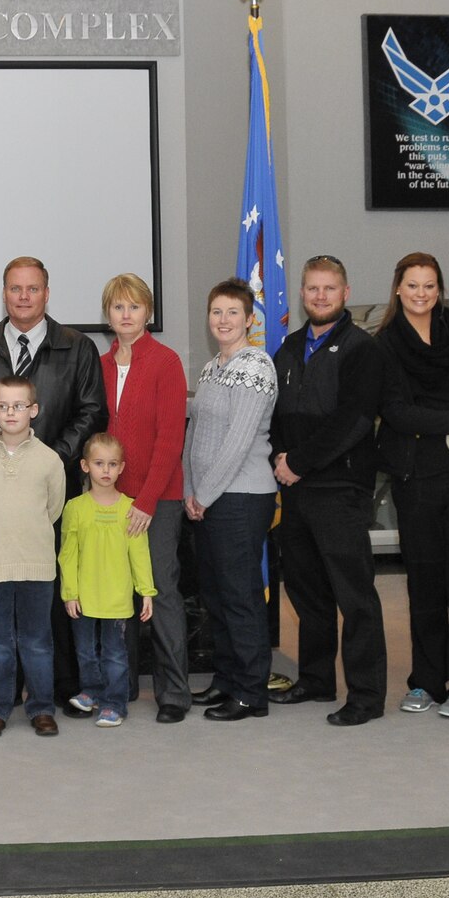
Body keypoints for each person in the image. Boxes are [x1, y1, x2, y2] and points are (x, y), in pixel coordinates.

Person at [0, 256, 105, 707]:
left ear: (47, 293)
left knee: (52, 597)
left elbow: (92, 411)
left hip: (54, 492)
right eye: (15, 289)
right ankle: (1, 694)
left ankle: (55, 690)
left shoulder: (77, 348)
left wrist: (48, 461)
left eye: (32, 289)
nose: (23, 297)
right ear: (4, 293)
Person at [376, 253, 449, 723]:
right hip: (415, 476)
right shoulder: (385, 344)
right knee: (425, 586)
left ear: (439, 288)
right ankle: (426, 680)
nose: (421, 293)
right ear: (398, 289)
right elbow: (397, 411)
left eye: (429, 285)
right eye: (412, 285)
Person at [269, 255, 387, 726]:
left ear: (345, 292)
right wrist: (282, 459)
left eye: (329, 289)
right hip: (294, 491)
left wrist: (298, 461)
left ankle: (366, 695)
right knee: (307, 592)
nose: (320, 296)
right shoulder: (290, 348)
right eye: (312, 289)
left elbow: (355, 421)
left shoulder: (363, 349)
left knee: (353, 596)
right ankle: (316, 680)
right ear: (302, 294)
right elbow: (277, 415)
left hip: (339, 488)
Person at [182, 279, 279, 724]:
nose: (223, 320)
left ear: (249, 319)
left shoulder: (256, 366)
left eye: (232, 313)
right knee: (217, 596)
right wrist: (189, 490)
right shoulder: (210, 368)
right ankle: (225, 679)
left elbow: (239, 441)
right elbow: (196, 437)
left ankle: (250, 693)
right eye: (216, 312)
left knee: (240, 597)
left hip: (241, 497)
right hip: (207, 500)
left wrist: (203, 493)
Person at [96, 273, 190, 722]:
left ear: (147, 312)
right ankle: (124, 685)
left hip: (158, 500)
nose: (126, 315)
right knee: (118, 594)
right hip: (110, 499)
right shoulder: (100, 364)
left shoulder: (166, 361)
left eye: (134, 307)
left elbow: (171, 440)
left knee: (162, 592)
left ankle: (173, 693)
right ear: (108, 314)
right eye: (118, 307)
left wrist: (147, 501)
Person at [0, 377, 67, 738]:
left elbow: (53, 510)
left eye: (19, 406)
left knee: (37, 641)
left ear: (33, 410)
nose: (11, 413)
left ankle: (41, 708)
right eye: (3, 406)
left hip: (37, 566)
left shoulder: (50, 460)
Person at [60, 434, 155, 728]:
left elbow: (139, 554)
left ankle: (115, 703)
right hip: (85, 598)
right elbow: (68, 555)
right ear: (85, 466)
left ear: (121, 468)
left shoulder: (130, 510)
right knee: (85, 651)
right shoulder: (75, 508)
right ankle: (92, 691)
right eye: (99, 463)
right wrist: (69, 593)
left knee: (115, 654)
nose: (106, 470)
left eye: (112, 464)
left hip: (116, 599)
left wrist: (146, 592)